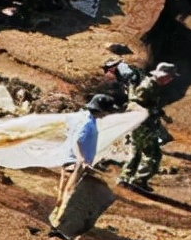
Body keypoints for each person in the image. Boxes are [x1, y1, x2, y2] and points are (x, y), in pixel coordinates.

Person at [117, 62, 178, 193]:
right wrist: (151, 112)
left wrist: (161, 114)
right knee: (153, 154)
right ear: (163, 76)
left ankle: (125, 177)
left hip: (141, 124)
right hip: (142, 125)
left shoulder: (153, 86)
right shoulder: (147, 86)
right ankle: (139, 180)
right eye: (170, 77)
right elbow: (133, 103)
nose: (171, 80)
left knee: (136, 152)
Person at [55, 94, 112, 214]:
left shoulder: (89, 119)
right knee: (69, 193)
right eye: (106, 111)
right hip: (74, 163)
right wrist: (80, 159)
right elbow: (76, 141)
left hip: (79, 162)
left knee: (69, 193)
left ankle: (59, 218)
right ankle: (58, 222)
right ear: (100, 110)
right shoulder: (87, 123)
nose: (107, 114)